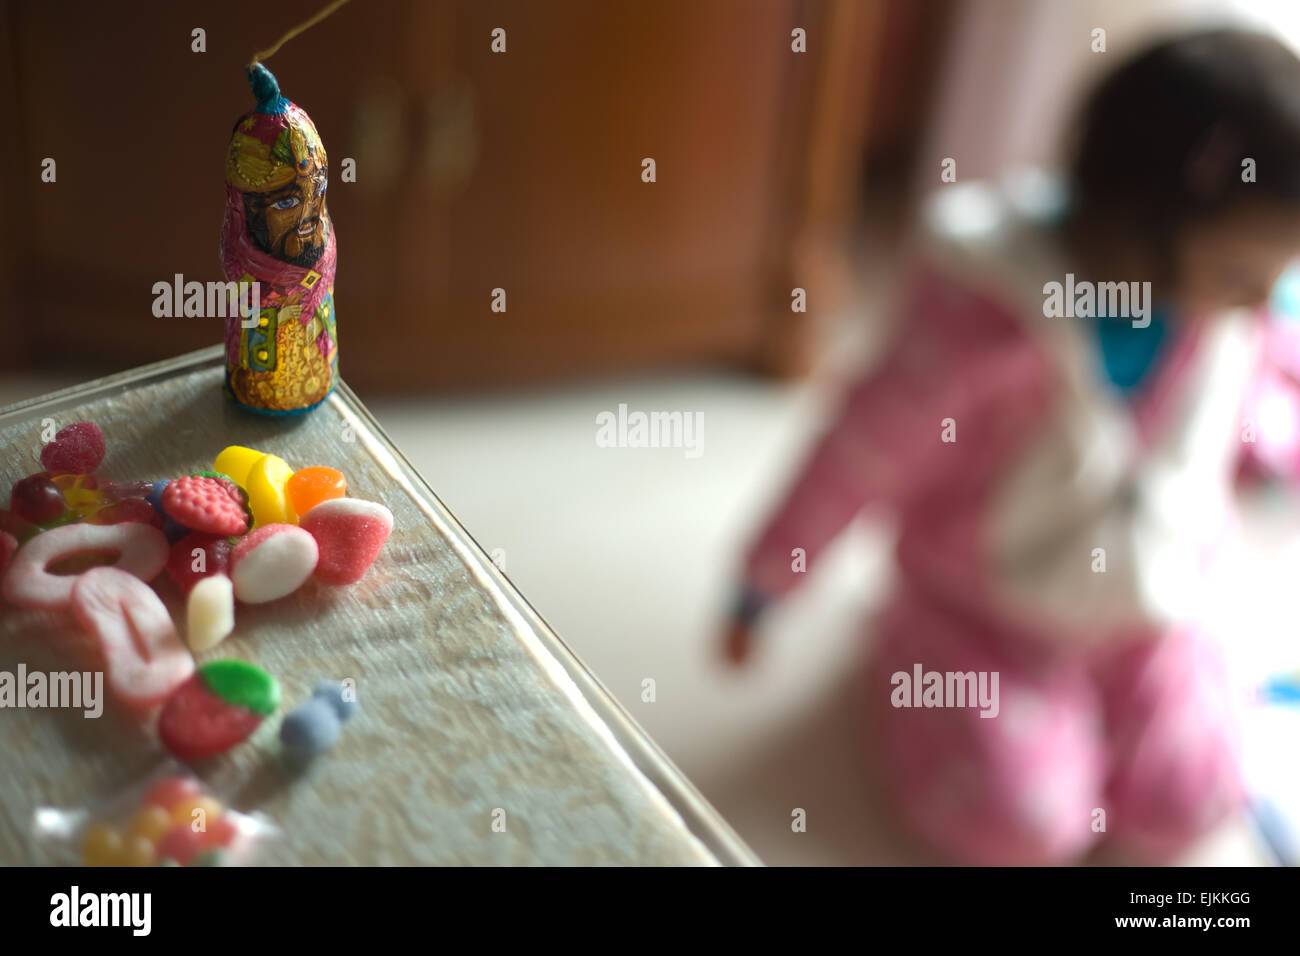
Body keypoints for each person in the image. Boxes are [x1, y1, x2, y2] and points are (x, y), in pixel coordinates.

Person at [723, 28, 1300, 864]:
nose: (1259, 307)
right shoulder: (981, 317)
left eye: (1276, 284)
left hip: (1154, 604)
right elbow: (858, 452)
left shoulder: (1229, 310)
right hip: (985, 613)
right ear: (1147, 225)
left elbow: (1256, 385)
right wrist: (765, 581)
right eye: (1246, 278)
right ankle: (900, 652)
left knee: (1199, 796)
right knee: (1025, 825)